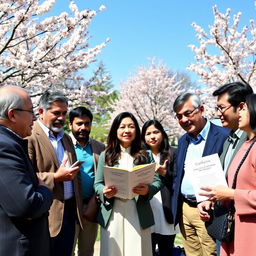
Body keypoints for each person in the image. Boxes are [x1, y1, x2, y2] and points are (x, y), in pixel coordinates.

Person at [94, 112, 162, 256]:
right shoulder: (105, 155)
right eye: (122, 127)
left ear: (136, 130)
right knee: (112, 251)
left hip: (138, 212)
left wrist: (148, 190)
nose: (127, 131)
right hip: (113, 212)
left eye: (131, 126)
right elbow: (98, 184)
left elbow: (157, 181)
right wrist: (104, 191)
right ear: (115, 130)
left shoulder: (146, 155)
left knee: (137, 251)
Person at [171, 92, 230, 256]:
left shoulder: (224, 136)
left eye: (188, 113)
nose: (183, 120)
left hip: (209, 211)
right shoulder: (183, 140)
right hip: (185, 209)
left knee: (211, 253)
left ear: (201, 109)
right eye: (179, 116)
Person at [27, 91, 83, 256]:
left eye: (64, 113)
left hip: (69, 215)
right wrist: (56, 177)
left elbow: (75, 175)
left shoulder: (66, 138)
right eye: (56, 113)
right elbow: (25, 176)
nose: (61, 118)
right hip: (44, 216)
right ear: (41, 112)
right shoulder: (29, 136)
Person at [200, 93, 256, 256]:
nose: (239, 113)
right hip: (234, 229)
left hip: (250, 233)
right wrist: (214, 198)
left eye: (243, 109)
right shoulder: (246, 145)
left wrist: (231, 194)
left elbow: (233, 191)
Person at [0, 86, 53, 255]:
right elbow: (26, 206)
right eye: (30, 112)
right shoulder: (5, 146)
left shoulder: (11, 142)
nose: (35, 118)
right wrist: (45, 189)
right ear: (12, 115)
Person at [69, 106, 105, 256]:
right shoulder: (64, 145)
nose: (83, 127)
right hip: (69, 208)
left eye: (87, 123)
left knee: (87, 251)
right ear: (71, 125)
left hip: (91, 206)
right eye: (79, 124)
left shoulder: (99, 147)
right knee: (67, 249)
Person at [141, 120, 179, 256]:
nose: (152, 136)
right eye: (148, 133)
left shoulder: (173, 153)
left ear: (162, 134)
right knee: (147, 252)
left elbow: (179, 182)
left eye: (156, 132)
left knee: (166, 251)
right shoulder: (140, 156)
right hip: (146, 212)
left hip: (166, 212)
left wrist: (165, 173)